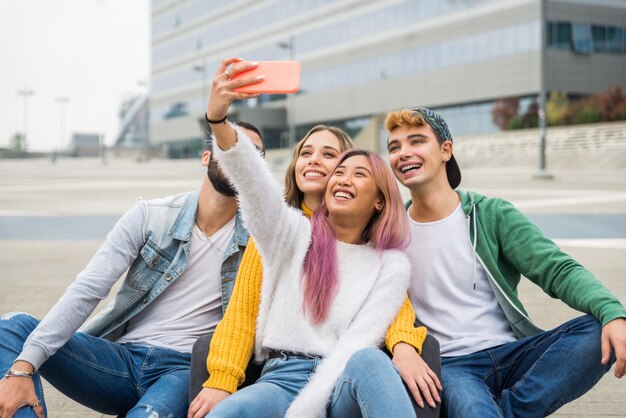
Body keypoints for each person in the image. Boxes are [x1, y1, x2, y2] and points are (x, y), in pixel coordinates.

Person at [200, 57, 418, 418]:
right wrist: (220, 122)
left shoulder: (388, 264)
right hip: (280, 377)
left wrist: (406, 345)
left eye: (354, 170)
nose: (340, 177)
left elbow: (388, 318)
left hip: (342, 377)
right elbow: (255, 186)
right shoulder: (289, 234)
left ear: (380, 198)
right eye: (340, 172)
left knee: (369, 360)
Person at [0, 122, 264, 418]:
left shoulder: (261, 240)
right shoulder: (152, 216)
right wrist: (22, 369)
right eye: (231, 146)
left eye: (253, 153)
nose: (241, 157)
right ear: (207, 156)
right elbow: (87, 290)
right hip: (119, 360)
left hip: (181, 370)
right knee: (13, 327)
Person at [385, 107, 626, 417]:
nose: (404, 153)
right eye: (395, 147)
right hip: (453, 366)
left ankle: (507, 411)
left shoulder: (490, 214)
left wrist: (613, 313)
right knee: (474, 408)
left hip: (513, 352)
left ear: (446, 150)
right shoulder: (391, 234)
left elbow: (557, 269)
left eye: (416, 141)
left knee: (597, 330)